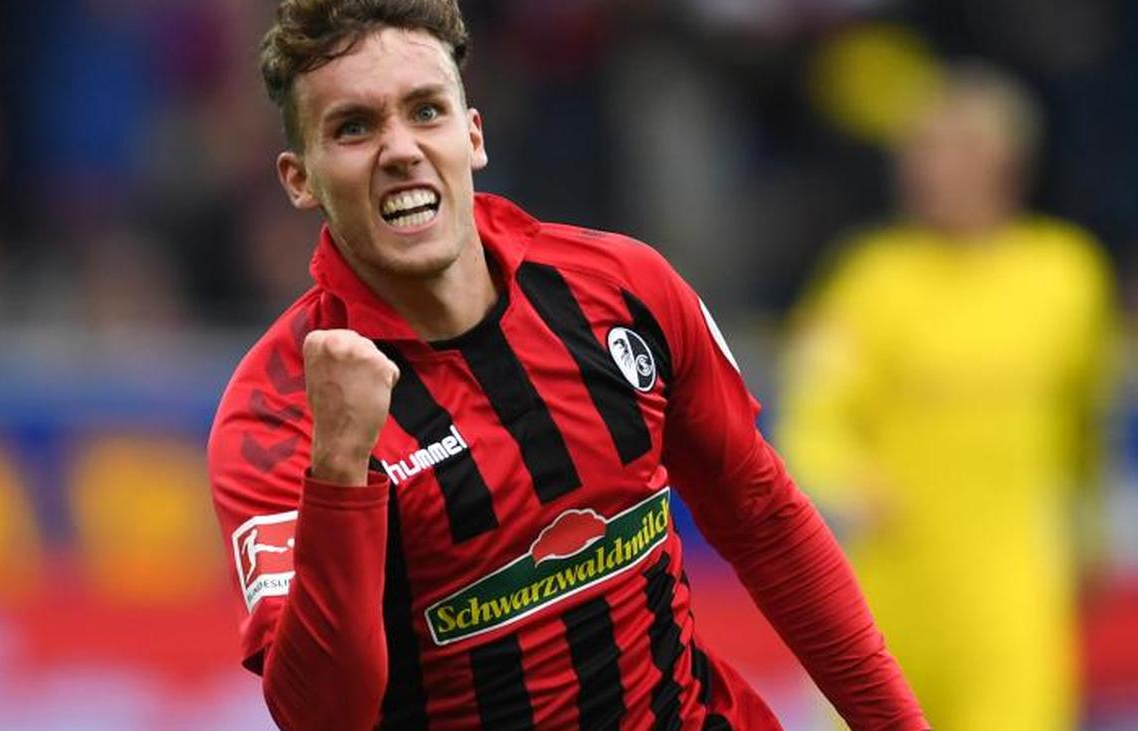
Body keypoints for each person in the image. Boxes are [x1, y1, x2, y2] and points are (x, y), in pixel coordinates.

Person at [207, 1, 928, 728]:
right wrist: (338, 472)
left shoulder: (624, 287)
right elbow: (323, 716)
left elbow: (766, 522)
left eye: (426, 111)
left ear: (472, 134)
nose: (400, 149)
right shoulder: (277, 415)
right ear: (300, 180)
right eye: (354, 128)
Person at [779, 64, 1118, 731]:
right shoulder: (870, 278)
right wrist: (844, 480)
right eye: (920, 151)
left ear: (1007, 165)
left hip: (1014, 598)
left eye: (951, 150)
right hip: (887, 590)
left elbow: (1084, 425)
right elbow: (814, 413)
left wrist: (1090, 532)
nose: (927, 169)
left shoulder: (1066, 276)